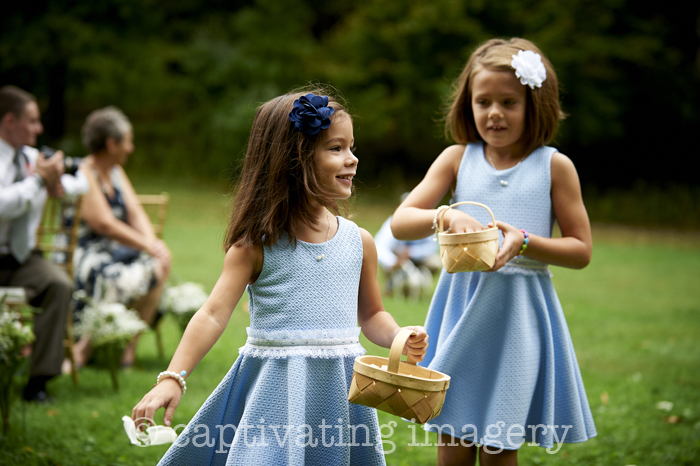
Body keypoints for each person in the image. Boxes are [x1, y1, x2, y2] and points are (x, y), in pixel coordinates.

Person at [131, 88, 429, 465]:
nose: (352, 159)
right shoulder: (255, 246)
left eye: (352, 147)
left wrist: (398, 335)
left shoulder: (360, 242)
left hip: (338, 395)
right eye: (336, 148)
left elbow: (371, 315)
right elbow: (213, 313)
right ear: (296, 159)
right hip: (273, 396)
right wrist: (173, 377)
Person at [391, 38, 596, 465]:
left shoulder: (554, 167)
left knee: (500, 443)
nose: (494, 113)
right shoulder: (457, 159)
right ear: (468, 104)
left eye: (509, 101)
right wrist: (445, 215)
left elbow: (580, 250)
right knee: (452, 431)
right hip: (462, 308)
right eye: (483, 101)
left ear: (534, 104)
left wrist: (523, 241)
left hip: (517, 317)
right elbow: (401, 220)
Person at [70, 106, 171, 368]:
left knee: (158, 267)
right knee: (117, 276)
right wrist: (147, 245)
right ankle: (83, 348)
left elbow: (135, 214)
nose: (131, 148)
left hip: (116, 250)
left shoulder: (115, 171)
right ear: (111, 143)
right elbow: (104, 224)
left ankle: (128, 350)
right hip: (85, 254)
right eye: (127, 141)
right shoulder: (84, 173)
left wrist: (155, 247)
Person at [0, 85, 73, 402]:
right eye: (32, 121)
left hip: (23, 259)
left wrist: (58, 181)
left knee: (58, 284)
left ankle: (38, 381)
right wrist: (38, 182)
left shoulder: (34, 158)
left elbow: (78, 181)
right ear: (9, 121)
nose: (39, 129)